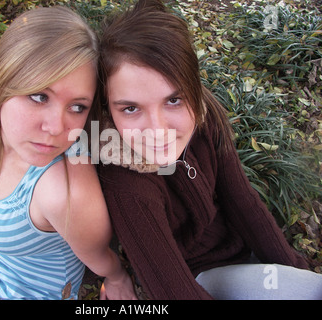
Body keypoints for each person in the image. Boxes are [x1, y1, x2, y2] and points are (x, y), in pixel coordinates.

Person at [96, 0, 322, 299]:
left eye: (173, 100)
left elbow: (243, 202)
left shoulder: (206, 120)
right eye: (131, 108)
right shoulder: (128, 185)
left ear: (194, 87)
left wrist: (297, 269)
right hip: (196, 277)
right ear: (108, 111)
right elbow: (171, 289)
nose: (158, 129)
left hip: (241, 258)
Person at [0, 6, 136, 300]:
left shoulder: (61, 190)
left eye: (77, 107)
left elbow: (100, 256)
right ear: (1, 85)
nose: (55, 127)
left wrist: (117, 279)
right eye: (39, 96)